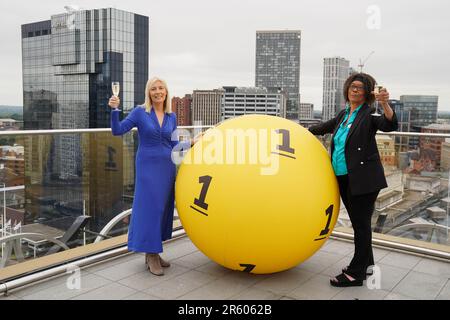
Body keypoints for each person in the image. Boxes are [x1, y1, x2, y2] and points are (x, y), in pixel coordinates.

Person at [309, 73, 398, 287]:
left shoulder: (369, 114)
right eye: (352, 86)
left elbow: (389, 124)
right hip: (343, 177)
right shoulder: (343, 115)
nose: (354, 89)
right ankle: (367, 267)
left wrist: (385, 103)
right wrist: (294, 132)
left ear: (367, 93)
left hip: (363, 180)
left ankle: (356, 273)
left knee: (360, 226)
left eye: (359, 87)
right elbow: (320, 128)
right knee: (361, 225)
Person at [108, 77, 193, 276]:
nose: (158, 91)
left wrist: (193, 142)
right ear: (149, 92)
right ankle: (151, 255)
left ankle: (153, 251)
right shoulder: (140, 112)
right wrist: (114, 110)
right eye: (154, 88)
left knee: (163, 209)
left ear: (166, 91)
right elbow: (117, 130)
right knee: (150, 209)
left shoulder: (171, 116)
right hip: (147, 168)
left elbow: (173, 146)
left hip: (167, 167)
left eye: (161, 88)